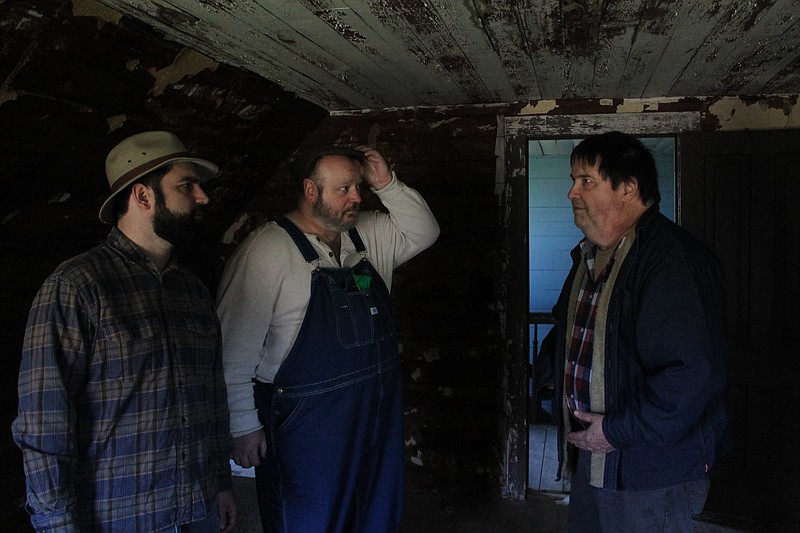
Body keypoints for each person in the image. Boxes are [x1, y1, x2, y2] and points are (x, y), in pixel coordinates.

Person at [12, 131, 236, 532]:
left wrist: (221, 481)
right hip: (123, 515)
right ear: (144, 196)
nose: (202, 197)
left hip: (198, 506)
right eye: (187, 185)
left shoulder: (192, 291)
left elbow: (212, 396)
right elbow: (45, 420)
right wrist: (57, 523)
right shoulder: (78, 286)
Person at [216, 145, 439, 532]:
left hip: (374, 410)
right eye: (344, 189)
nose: (357, 197)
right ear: (310, 190)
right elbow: (232, 351)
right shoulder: (267, 250)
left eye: (359, 187)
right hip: (306, 422)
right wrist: (243, 426)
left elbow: (426, 230)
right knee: (308, 518)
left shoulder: (367, 234)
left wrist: (385, 183)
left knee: (373, 510)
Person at [550, 131, 729, 532]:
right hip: (596, 457)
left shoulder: (672, 262)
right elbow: (567, 335)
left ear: (628, 187)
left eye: (586, 181)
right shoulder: (588, 258)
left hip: (649, 470)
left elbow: (692, 375)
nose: (572, 193)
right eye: (573, 180)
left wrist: (614, 431)